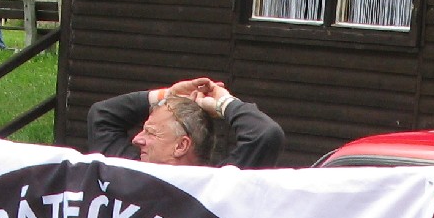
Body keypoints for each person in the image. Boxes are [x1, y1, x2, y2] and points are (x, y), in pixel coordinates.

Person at [87, 77, 285, 168]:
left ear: (181, 146)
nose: (137, 140)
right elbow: (101, 116)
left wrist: (223, 102)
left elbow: (265, 135)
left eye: (151, 132)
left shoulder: (213, 189)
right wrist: (167, 95)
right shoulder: (133, 170)